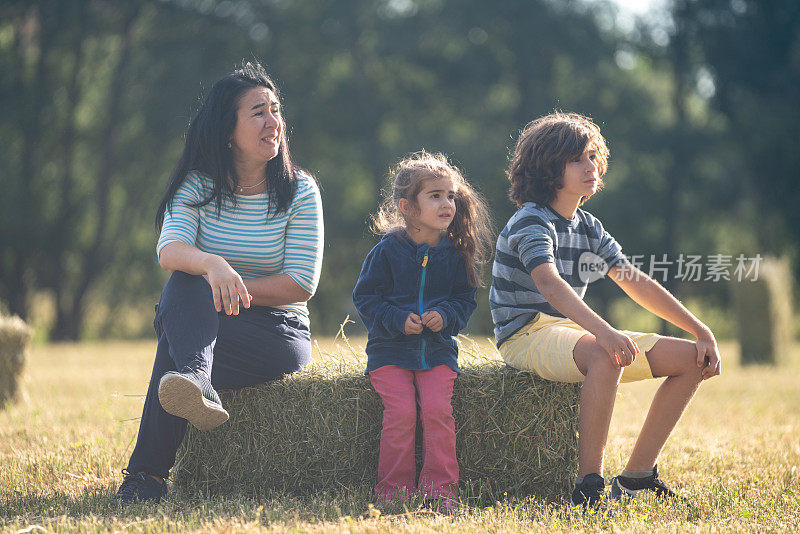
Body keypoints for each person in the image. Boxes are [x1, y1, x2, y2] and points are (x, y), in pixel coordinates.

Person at [113, 62, 323, 504]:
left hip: (275, 334)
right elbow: (169, 252)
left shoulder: (301, 190)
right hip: (205, 323)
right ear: (228, 130)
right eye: (258, 112)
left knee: (176, 336)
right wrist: (213, 265)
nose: (274, 122)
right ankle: (196, 381)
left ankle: (146, 477)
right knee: (184, 281)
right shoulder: (197, 185)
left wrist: (232, 284)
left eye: (276, 110)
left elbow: (301, 284)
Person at [489, 112, 721, 509]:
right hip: (525, 334)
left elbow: (635, 281)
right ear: (548, 168)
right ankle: (588, 486)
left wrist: (701, 331)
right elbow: (548, 283)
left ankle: (637, 477)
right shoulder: (530, 220)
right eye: (579, 159)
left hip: (568, 331)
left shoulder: (588, 225)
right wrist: (605, 333)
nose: (592, 166)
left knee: (691, 359)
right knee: (604, 352)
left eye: (594, 156)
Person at [352, 151, 493, 511]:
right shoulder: (386, 251)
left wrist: (444, 315)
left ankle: (440, 493)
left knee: (437, 413)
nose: (447, 203)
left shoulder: (457, 253)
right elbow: (366, 297)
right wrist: (398, 319)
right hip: (389, 351)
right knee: (400, 414)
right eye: (435, 196)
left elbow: (464, 301)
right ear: (407, 207)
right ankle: (393, 494)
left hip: (438, 353)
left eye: (451, 196)